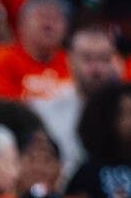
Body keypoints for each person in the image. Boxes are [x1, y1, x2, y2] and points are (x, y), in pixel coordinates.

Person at [29, 24, 121, 179]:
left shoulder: (126, 111)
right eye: (87, 59)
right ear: (70, 60)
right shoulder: (45, 108)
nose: (96, 69)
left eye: (103, 59)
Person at [0, 0, 72, 101]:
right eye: (41, 16)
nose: (48, 22)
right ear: (22, 24)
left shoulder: (72, 62)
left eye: (56, 18)